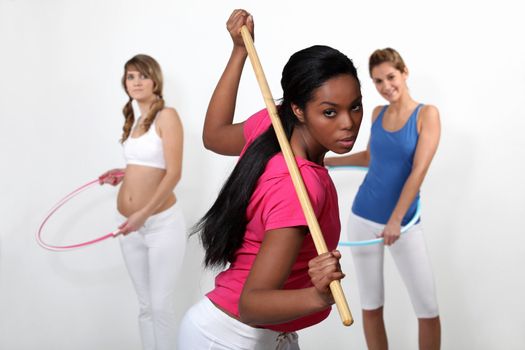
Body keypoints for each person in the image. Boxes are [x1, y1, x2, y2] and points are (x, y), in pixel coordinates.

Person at [177, 9, 363, 350]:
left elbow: (215, 135)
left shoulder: (272, 126)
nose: (348, 122)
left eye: (355, 106)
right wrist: (318, 296)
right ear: (297, 110)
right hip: (226, 339)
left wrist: (238, 50)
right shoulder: (300, 185)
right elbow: (252, 304)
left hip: (266, 336)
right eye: (329, 112)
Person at [325, 47, 441, 350]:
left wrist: (395, 221)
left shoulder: (426, 115)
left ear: (404, 73)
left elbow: (418, 172)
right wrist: (326, 162)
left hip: (402, 224)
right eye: (377, 81)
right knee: (371, 305)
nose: (386, 86)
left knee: (427, 309)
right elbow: (370, 157)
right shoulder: (377, 113)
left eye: (390, 76)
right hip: (363, 217)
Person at [99, 54, 186, 350]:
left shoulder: (167, 116)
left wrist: (143, 215)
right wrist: (122, 173)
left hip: (160, 223)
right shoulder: (133, 119)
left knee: (160, 305)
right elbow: (148, 164)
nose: (136, 82)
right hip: (129, 225)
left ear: (155, 81)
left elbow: (173, 173)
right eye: (130, 77)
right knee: (145, 305)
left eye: (142, 76)